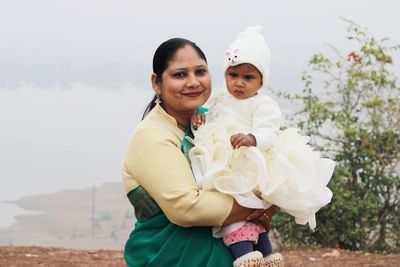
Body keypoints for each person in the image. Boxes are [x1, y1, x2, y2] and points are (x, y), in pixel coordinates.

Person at [122, 37, 278, 267]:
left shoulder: (217, 117)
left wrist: (271, 196)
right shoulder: (151, 136)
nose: (193, 82)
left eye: (200, 72)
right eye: (180, 74)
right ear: (157, 82)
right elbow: (187, 208)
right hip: (170, 257)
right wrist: (255, 204)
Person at [189, 26, 335, 266]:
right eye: (233, 75)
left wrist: (253, 138)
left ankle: (251, 255)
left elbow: (269, 131)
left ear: (261, 81)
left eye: (249, 78)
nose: (239, 83)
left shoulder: (263, 104)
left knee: (248, 208)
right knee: (233, 208)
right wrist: (198, 119)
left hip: (249, 164)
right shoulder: (218, 98)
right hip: (224, 164)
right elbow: (206, 120)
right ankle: (261, 254)